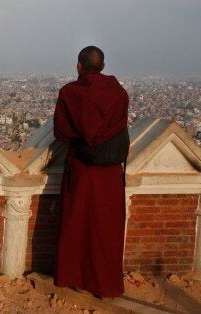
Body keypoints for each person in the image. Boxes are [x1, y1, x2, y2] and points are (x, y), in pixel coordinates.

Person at [52, 46, 129, 298]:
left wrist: (83, 136)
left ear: (79, 65)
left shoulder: (70, 93)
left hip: (82, 167)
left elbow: (62, 131)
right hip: (110, 172)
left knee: (77, 224)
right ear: (103, 66)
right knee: (106, 229)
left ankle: (74, 277)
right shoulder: (119, 93)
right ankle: (106, 285)